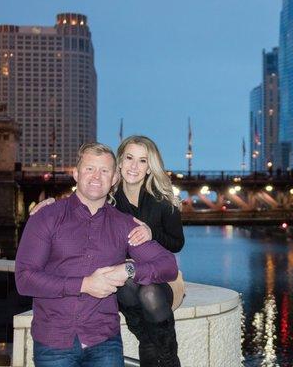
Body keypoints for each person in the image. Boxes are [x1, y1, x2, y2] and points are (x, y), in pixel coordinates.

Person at [15, 142, 178, 367]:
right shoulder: (47, 217)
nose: (96, 176)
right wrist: (85, 284)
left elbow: (168, 264)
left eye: (104, 171)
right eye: (90, 168)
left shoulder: (123, 224)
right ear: (76, 173)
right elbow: (24, 280)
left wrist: (129, 268)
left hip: (104, 341)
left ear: (113, 179)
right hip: (54, 340)